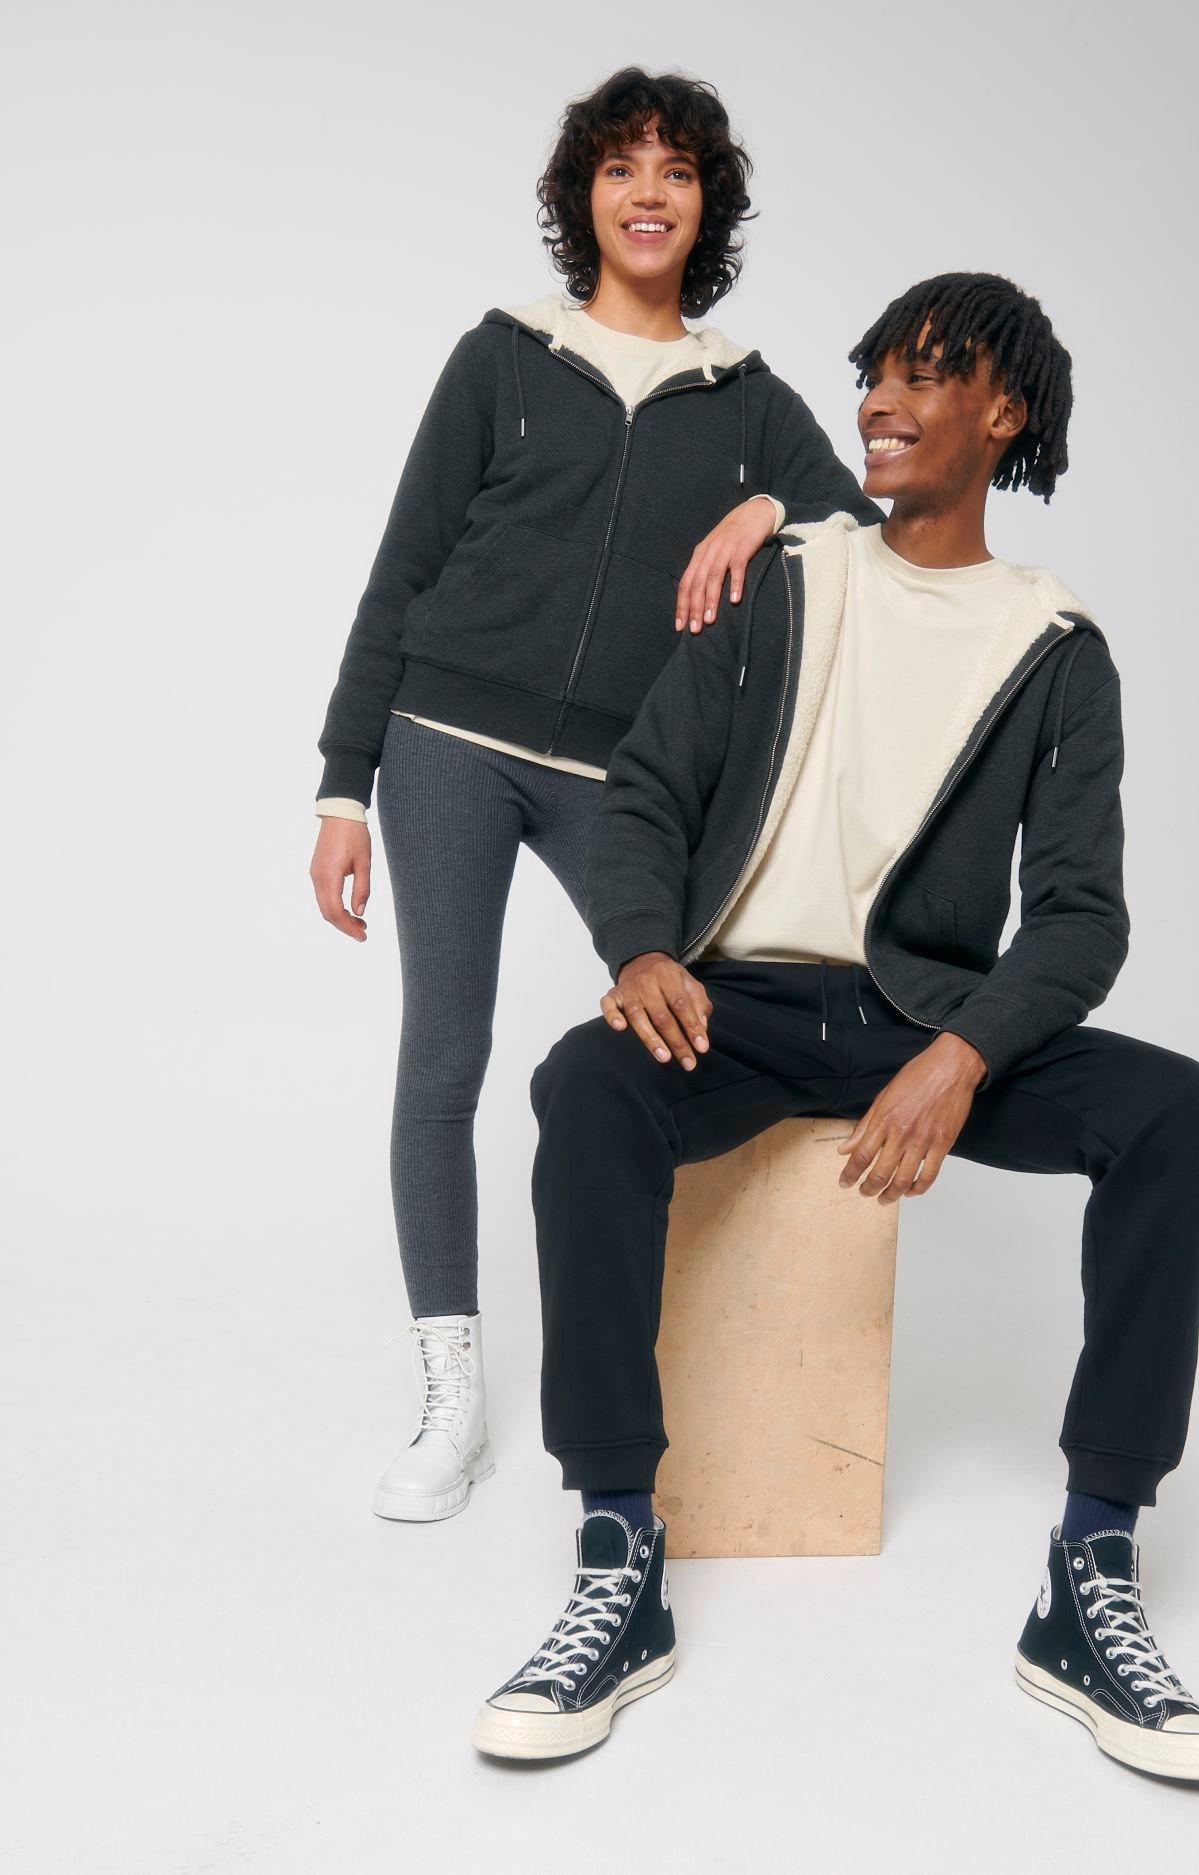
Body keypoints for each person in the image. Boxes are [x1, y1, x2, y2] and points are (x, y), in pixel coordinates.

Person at [471, 272, 1199, 1781]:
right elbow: (646, 792)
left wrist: (964, 1055)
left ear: (1003, 413)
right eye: (874, 374)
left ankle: (1093, 1566)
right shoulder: (788, 582)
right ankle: (618, 1545)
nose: (880, 402)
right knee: (584, 1084)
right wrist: (640, 945)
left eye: (925, 374)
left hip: (922, 1022)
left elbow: (1079, 916)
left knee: (1171, 1110)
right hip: (737, 1007)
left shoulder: (1053, 643)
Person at [308, 68, 879, 1522]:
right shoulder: (503, 358)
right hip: (448, 740)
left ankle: (713, 1355)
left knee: (700, 1012)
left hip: (622, 778)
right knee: (446, 1056)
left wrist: (769, 505)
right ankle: (452, 1395)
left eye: (675, 171)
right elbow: (403, 571)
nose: (647, 193)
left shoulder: (748, 399)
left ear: (707, 207)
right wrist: (341, 787)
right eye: (621, 167)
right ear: (584, 196)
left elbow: (864, 521)